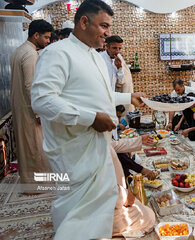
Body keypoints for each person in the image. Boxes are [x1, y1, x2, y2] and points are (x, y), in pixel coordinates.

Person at [31, 0, 154, 239]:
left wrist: (128, 96)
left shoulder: (96, 57)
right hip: (75, 150)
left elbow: (100, 95)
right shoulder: (56, 53)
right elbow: (42, 100)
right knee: (78, 212)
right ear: (84, 22)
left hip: (99, 147)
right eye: (104, 26)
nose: (108, 33)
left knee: (99, 211)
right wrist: (91, 118)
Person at [10, 19, 53, 186]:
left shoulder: (19, 50)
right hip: (29, 109)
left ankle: (30, 182)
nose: (48, 41)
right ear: (36, 35)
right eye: (46, 37)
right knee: (34, 148)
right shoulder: (30, 54)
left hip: (20, 106)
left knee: (26, 147)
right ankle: (35, 185)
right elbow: (30, 86)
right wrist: (38, 111)